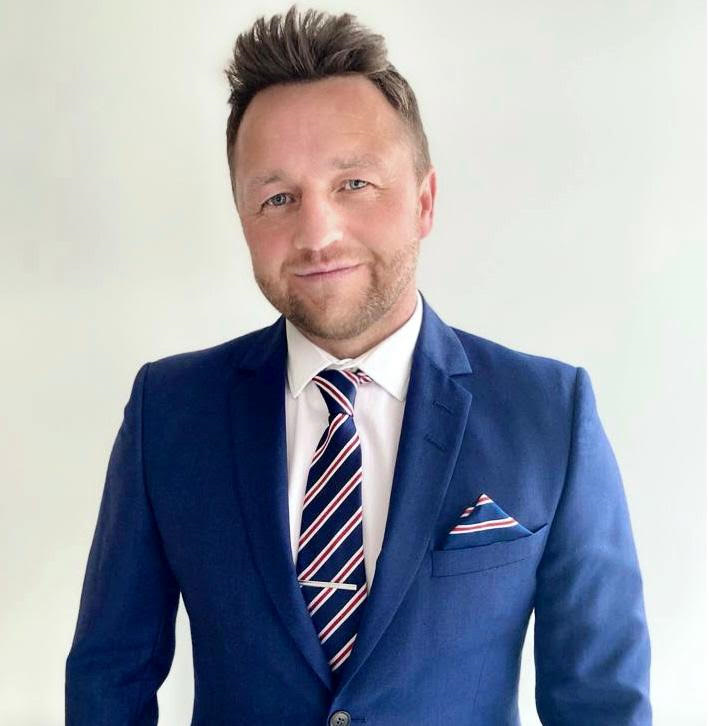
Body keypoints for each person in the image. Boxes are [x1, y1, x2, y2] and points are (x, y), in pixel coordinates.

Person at [65, 6, 652, 725]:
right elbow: (109, 681)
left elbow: (600, 702)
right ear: (242, 217)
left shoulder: (548, 413)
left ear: (424, 201)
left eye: (353, 184)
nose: (316, 233)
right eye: (277, 197)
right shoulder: (170, 412)